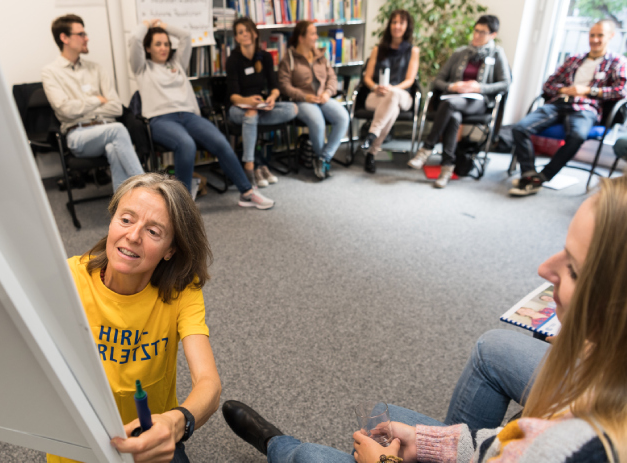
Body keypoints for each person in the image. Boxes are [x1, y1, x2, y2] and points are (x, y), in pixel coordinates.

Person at [222, 175, 627, 462]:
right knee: (390, 417)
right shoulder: (597, 390)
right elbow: (504, 442)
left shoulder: (570, 448)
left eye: (573, 269)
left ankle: (278, 445)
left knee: (313, 455)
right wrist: (427, 443)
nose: (544, 268)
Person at [47, 173, 221, 463]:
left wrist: (174, 423)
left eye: (153, 232)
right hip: (80, 441)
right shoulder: (67, 280)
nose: (132, 235)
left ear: (170, 250)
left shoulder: (181, 289)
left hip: (152, 437)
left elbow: (209, 383)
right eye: (126, 220)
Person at [129, 20, 274, 210]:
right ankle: (183, 204)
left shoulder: (177, 63)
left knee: (221, 142)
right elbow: (134, 40)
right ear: (147, 48)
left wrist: (165, 27)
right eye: (158, 44)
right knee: (186, 144)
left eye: (166, 43)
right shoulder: (142, 68)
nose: (164, 48)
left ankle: (247, 192)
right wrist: (146, 26)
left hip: (189, 116)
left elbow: (185, 36)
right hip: (161, 119)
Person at [510, 20, 627, 196]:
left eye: (600, 35)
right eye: (592, 35)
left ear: (611, 36)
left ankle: (542, 177)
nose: (594, 39)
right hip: (558, 104)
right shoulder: (574, 59)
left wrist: (588, 91)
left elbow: (621, 91)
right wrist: (565, 89)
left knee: (577, 136)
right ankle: (528, 173)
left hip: (586, 108)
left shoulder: (617, 62)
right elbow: (548, 85)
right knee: (519, 128)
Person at [41, 15, 145, 190]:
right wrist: (97, 99)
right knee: (117, 129)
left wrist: (81, 106)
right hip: (79, 135)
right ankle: (147, 189)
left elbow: (116, 108)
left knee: (114, 147)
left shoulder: (96, 69)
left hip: (106, 129)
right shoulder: (50, 72)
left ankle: (122, 206)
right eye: (81, 34)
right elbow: (65, 110)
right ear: (64, 38)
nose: (87, 38)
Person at [407, 15, 511, 188]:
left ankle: (426, 148)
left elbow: (505, 83)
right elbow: (438, 80)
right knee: (453, 116)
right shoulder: (460, 53)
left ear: (493, 34)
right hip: (455, 99)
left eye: (482, 32)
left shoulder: (497, 54)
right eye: (476, 30)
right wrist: (454, 86)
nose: (477, 35)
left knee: (448, 105)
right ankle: (447, 168)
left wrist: (479, 87)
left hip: (479, 102)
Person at [226, 17, 298, 187]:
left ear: (255, 33)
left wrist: (272, 98)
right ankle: (250, 165)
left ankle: (259, 164)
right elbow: (233, 96)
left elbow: (274, 86)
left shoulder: (265, 57)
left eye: (248, 30)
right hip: (238, 108)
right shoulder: (233, 60)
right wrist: (248, 101)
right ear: (236, 38)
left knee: (293, 108)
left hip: (261, 106)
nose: (245, 35)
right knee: (250, 114)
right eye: (240, 32)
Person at [278, 21, 350, 180]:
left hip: (322, 97)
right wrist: (304, 96)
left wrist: (327, 93)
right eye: (312, 33)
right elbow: (284, 86)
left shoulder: (320, 56)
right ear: (301, 38)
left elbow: (332, 78)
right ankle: (322, 159)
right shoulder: (289, 58)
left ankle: (323, 158)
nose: (316, 37)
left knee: (343, 117)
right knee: (317, 122)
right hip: (302, 101)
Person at [359, 10, 420, 173]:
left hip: (402, 95)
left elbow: (410, 80)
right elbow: (367, 78)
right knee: (391, 109)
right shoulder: (378, 50)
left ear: (407, 27)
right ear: (389, 25)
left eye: (401, 23)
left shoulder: (413, 51)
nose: (397, 26)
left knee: (393, 97)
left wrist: (392, 89)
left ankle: (372, 138)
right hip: (377, 95)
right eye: (394, 22)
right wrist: (375, 87)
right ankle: (372, 152)